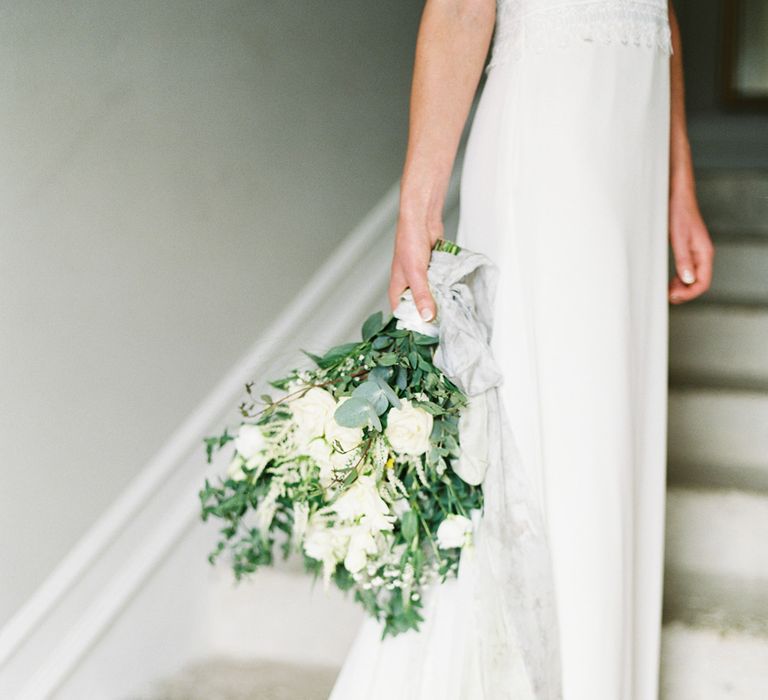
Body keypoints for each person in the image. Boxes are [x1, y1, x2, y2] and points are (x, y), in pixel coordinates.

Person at [330, 1, 714, 698]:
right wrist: (418, 209)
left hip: (634, 138)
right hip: (553, 133)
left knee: (610, 447)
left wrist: (677, 176)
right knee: (554, 447)